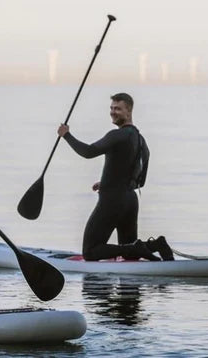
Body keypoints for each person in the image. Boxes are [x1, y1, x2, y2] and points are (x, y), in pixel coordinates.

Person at [57, 93, 174, 261]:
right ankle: (156, 245)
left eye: (118, 109)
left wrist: (66, 135)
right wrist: (107, 182)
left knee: (90, 251)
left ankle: (139, 248)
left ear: (129, 111)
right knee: (128, 254)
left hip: (112, 200)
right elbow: (140, 181)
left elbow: (89, 152)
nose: (113, 112)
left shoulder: (117, 135)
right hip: (131, 201)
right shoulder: (142, 142)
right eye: (111, 108)